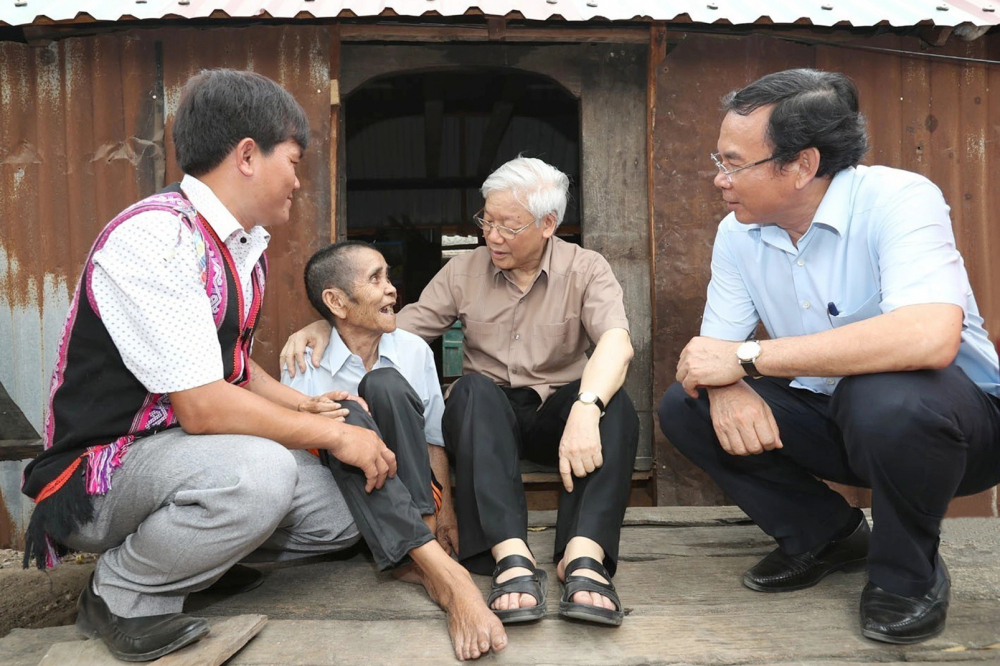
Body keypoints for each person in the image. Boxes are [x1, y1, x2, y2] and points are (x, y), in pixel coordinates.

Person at [19, 69, 505, 663]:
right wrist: (331, 433)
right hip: (103, 474)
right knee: (262, 473)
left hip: (180, 461)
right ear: (248, 155)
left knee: (348, 505)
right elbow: (202, 407)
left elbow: (235, 367)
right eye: (294, 161)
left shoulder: (242, 247)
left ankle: (198, 566)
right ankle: (121, 593)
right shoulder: (157, 238)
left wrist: (310, 406)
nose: (298, 181)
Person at [657, 68, 1000, 645]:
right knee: (684, 405)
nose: (719, 180)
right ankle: (827, 535)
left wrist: (744, 359)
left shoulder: (898, 199)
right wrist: (725, 381)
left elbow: (929, 336)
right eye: (719, 161)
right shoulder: (738, 235)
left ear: (801, 165)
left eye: (733, 163)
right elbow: (713, 354)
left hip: (956, 434)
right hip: (842, 426)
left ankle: (906, 577)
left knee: (882, 390)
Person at [283, 157, 639, 626]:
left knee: (616, 405)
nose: (491, 236)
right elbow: (393, 329)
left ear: (548, 224)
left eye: (508, 226)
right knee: (470, 391)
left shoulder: (586, 268)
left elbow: (617, 342)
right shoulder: (464, 271)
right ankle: (511, 558)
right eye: (486, 221)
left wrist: (586, 409)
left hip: (560, 415)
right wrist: (331, 322)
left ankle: (584, 557)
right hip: (490, 424)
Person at [281, 240, 504, 653]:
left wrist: (446, 511)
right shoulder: (304, 360)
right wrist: (345, 425)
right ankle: (443, 575)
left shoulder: (413, 349)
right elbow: (299, 451)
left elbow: (433, 440)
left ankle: (419, 550)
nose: (391, 289)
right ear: (336, 301)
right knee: (345, 413)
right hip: (346, 498)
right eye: (376, 278)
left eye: (388, 276)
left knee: (384, 385)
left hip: (416, 502)